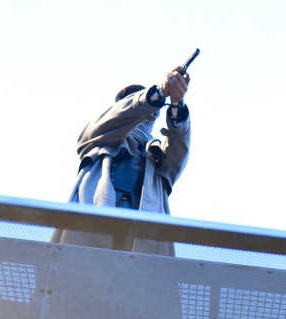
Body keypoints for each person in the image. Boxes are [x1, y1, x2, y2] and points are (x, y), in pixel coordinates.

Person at [54, 67, 191, 253]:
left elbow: (180, 147)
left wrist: (176, 103)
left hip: (143, 238)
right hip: (93, 228)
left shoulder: (158, 156)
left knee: (138, 280)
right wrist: (158, 93)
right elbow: (117, 118)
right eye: (129, 100)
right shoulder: (96, 138)